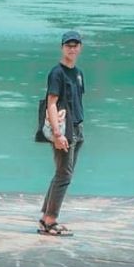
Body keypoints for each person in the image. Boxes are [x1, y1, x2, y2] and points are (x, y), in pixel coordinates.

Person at [38, 29, 85, 236]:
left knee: (62, 173)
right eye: (68, 45)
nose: (72, 49)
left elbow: (76, 101)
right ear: (62, 47)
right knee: (64, 175)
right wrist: (58, 134)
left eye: (75, 45)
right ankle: (50, 221)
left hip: (77, 127)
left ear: (80, 48)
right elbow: (52, 103)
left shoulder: (78, 73)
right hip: (64, 130)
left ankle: (45, 217)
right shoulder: (57, 73)